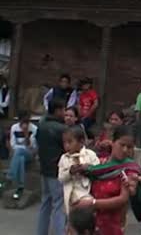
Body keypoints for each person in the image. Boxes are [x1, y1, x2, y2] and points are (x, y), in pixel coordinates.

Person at [72, 125, 141, 235]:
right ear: (113, 142)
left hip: (111, 225)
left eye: (129, 147)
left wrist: (92, 203)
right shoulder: (99, 163)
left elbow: (123, 199)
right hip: (89, 222)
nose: (125, 150)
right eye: (122, 145)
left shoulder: (129, 169)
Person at [36, 99, 68, 235]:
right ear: (58, 111)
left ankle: (41, 232)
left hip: (44, 169)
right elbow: (67, 148)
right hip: (57, 170)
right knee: (59, 205)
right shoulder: (62, 129)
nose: (65, 113)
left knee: (45, 203)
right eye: (63, 110)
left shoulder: (41, 126)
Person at [58, 126, 100, 215]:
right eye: (64, 143)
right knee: (72, 223)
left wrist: (88, 168)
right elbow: (61, 178)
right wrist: (70, 172)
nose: (67, 146)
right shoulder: (64, 158)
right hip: (71, 196)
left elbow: (99, 171)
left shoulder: (90, 155)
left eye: (70, 142)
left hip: (87, 193)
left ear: (81, 142)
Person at [7, 110, 37, 200]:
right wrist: (18, 149)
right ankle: (20, 186)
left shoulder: (34, 128)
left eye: (27, 121)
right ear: (19, 120)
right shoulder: (14, 127)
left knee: (19, 152)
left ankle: (10, 176)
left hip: (30, 154)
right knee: (20, 159)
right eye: (23, 121)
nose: (26, 124)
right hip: (18, 153)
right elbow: (13, 144)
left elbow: (32, 147)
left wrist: (26, 134)